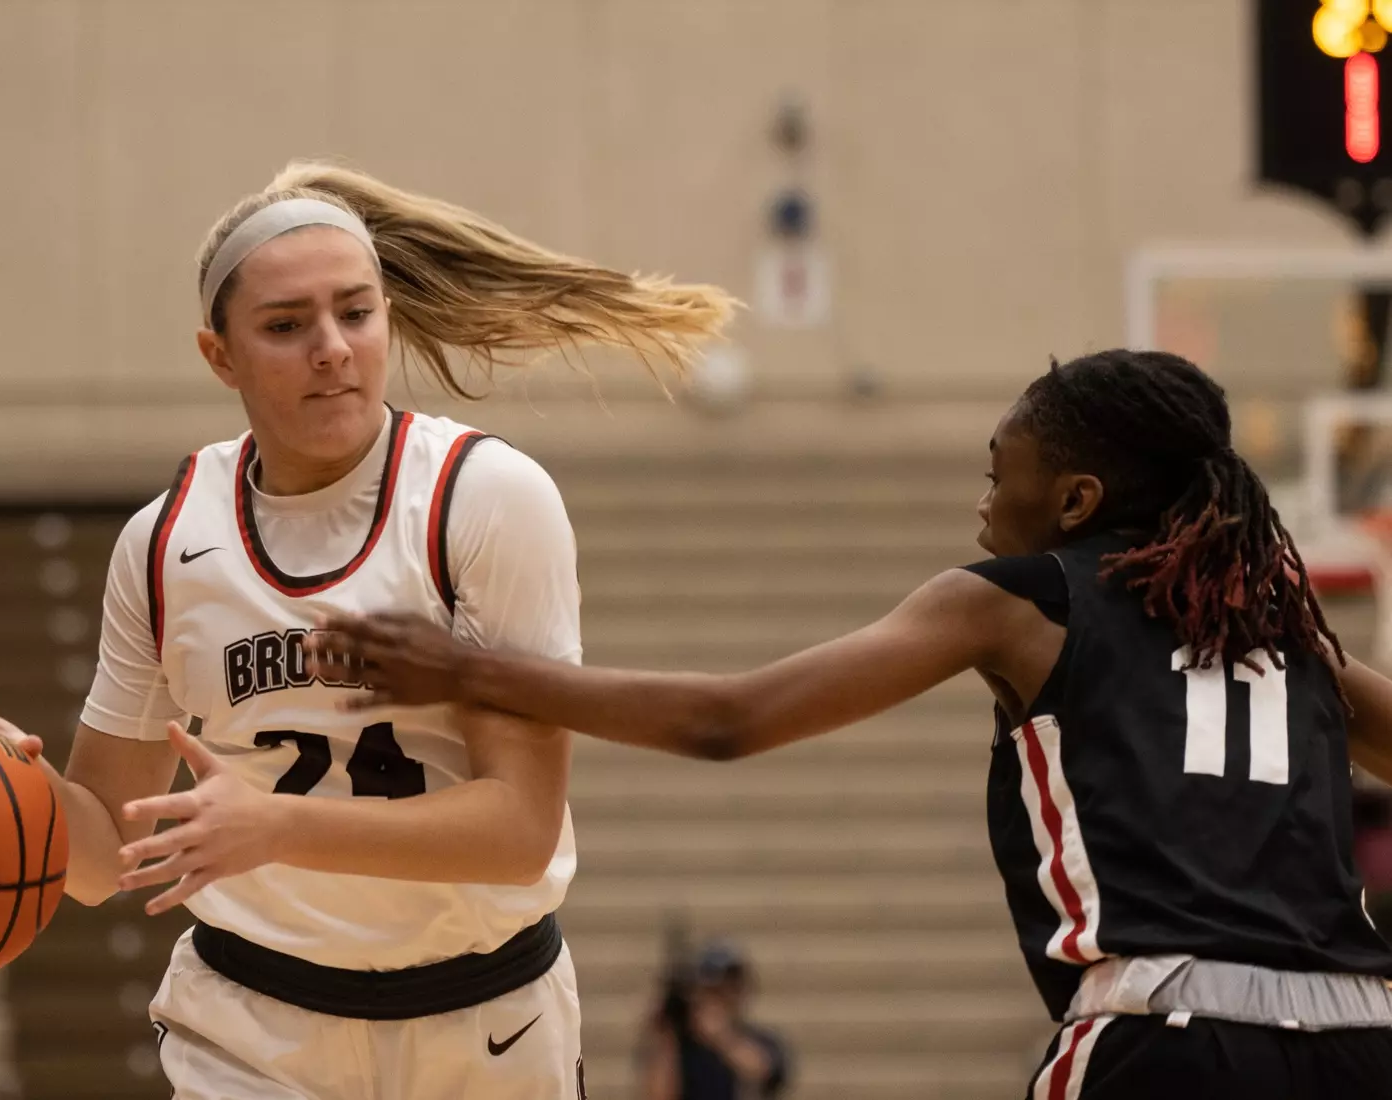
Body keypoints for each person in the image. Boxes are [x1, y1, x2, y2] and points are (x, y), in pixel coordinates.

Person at [0, 161, 734, 1100]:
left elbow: (518, 828)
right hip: (252, 1032)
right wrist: (11, 786)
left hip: (482, 1027)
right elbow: (111, 852)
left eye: (355, 313)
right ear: (219, 356)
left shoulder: (482, 500)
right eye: (287, 326)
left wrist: (275, 825)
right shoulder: (162, 543)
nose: (332, 349)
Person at [316, 349, 1392, 1099]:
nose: (981, 502)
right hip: (1362, 1033)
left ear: (1072, 502)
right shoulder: (1294, 641)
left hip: (1170, 1034)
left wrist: (459, 664)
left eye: (995, 473)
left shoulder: (1015, 598)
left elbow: (727, 719)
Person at [641, 941, 790, 1100]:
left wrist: (721, 1037)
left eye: (732, 987)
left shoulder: (762, 1041)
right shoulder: (683, 1048)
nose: (726, 997)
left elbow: (761, 1072)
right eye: (716, 991)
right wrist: (667, 1035)